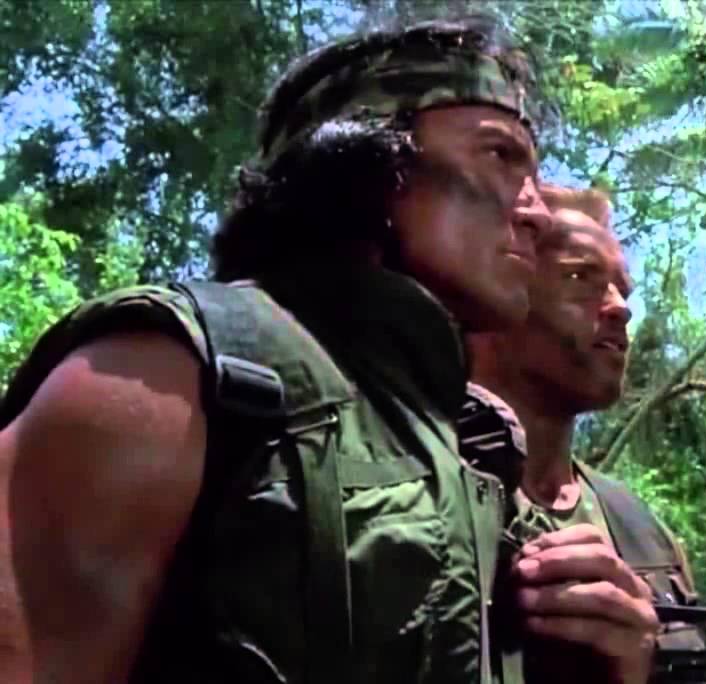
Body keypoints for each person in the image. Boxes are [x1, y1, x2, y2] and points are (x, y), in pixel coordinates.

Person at [0, 17, 655, 684]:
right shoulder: (167, 376)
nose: (536, 212)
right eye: (499, 156)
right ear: (368, 163)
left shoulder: (473, 452)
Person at [466, 184, 706, 676]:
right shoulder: (411, 497)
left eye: (622, 288)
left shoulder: (643, 534)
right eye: (580, 276)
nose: (621, 308)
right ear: (499, 293)